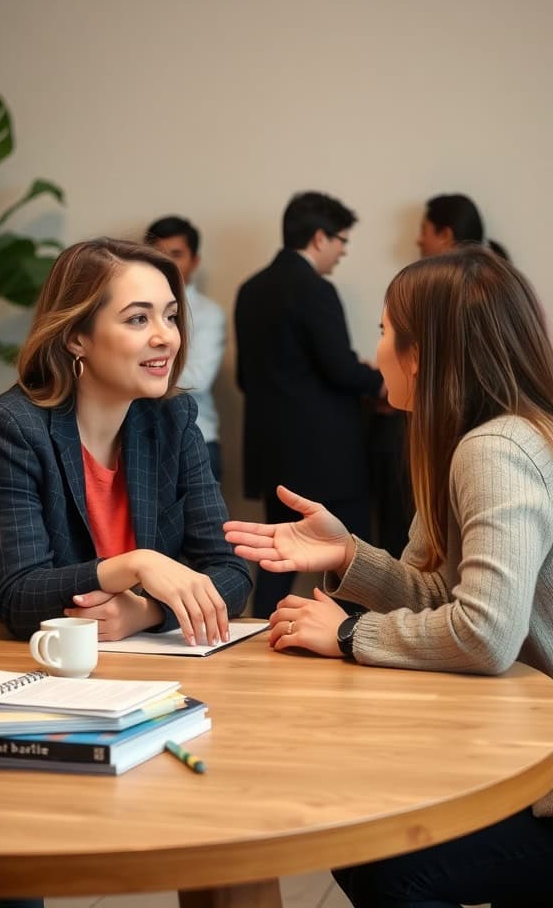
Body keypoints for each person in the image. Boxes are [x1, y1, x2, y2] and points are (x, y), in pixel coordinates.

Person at [225, 245, 553, 907]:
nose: (375, 351)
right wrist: (349, 555)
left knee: (372, 855)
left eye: (382, 333)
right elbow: (445, 597)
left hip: (540, 775)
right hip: (530, 750)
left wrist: (349, 635)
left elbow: (485, 633)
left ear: (422, 353)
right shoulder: (477, 437)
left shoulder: (494, 451)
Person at [0, 238, 251, 646]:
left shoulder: (175, 420)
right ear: (76, 337)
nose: (166, 338)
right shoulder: (12, 428)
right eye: (138, 319)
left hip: (151, 674)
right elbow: (18, 598)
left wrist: (147, 613)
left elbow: (231, 573)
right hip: (44, 674)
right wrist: (134, 566)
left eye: (171, 316)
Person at [234, 190, 383, 618]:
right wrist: (381, 382)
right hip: (328, 457)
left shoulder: (250, 290)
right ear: (320, 237)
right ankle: (352, 641)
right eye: (341, 241)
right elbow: (340, 369)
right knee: (353, 562)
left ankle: (261, 636)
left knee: (276, 561)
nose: (342, 252)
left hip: (274, 455)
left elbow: (246, 377)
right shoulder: (315, 289)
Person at [144, 216, 226, 481]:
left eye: (176, 254)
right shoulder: (130, 308)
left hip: (196, 435)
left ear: (195, 261)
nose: (166, 263)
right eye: (157, 255)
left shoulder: (208, 313)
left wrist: (138, 370)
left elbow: (197, 378)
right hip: (138, 434)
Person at [417, 191, 510, 259]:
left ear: (445, 235)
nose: (418, 240)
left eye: (424, 232)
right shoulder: (485, 277)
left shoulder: (455, 284)